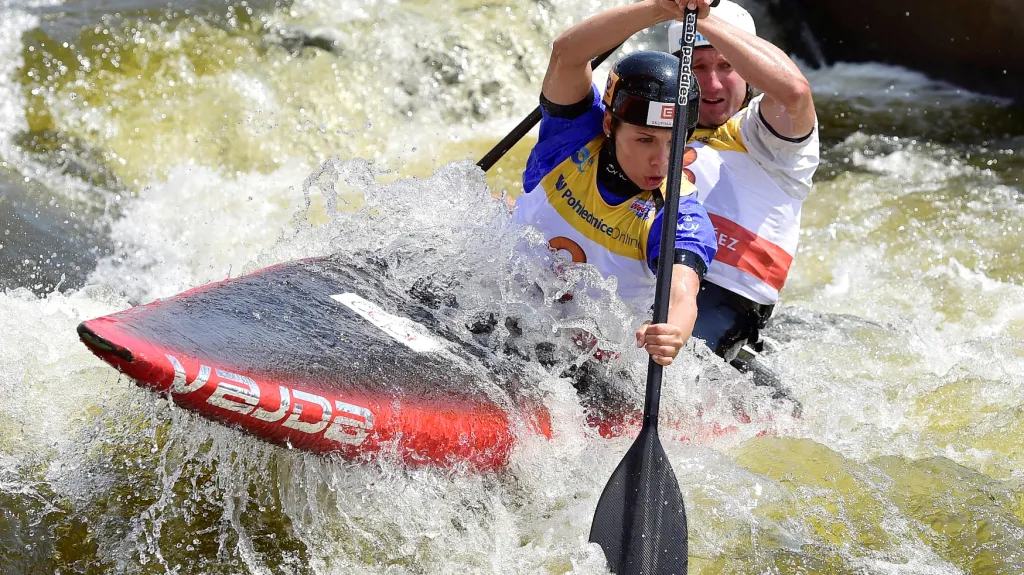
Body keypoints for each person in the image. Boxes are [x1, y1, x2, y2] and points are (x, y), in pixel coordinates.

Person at [512, 0, 720, 368]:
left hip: (582, 363)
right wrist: (661, 7)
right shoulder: (573, 135)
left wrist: (672, 331)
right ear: (609, 125)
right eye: (645, 140)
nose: (661, 160)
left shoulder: (678, 216)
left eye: (674, 144)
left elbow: (681, 294)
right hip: (498, 303)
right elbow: (569, 53)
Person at [666, 0, 819, 377]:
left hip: (726, 308)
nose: (713, 83)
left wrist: (701, 17)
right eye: (697, 67)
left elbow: (795, 92)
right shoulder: (648, 125)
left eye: (726, 66)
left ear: (749, 71)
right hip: (650, 283)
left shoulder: (767, 137)